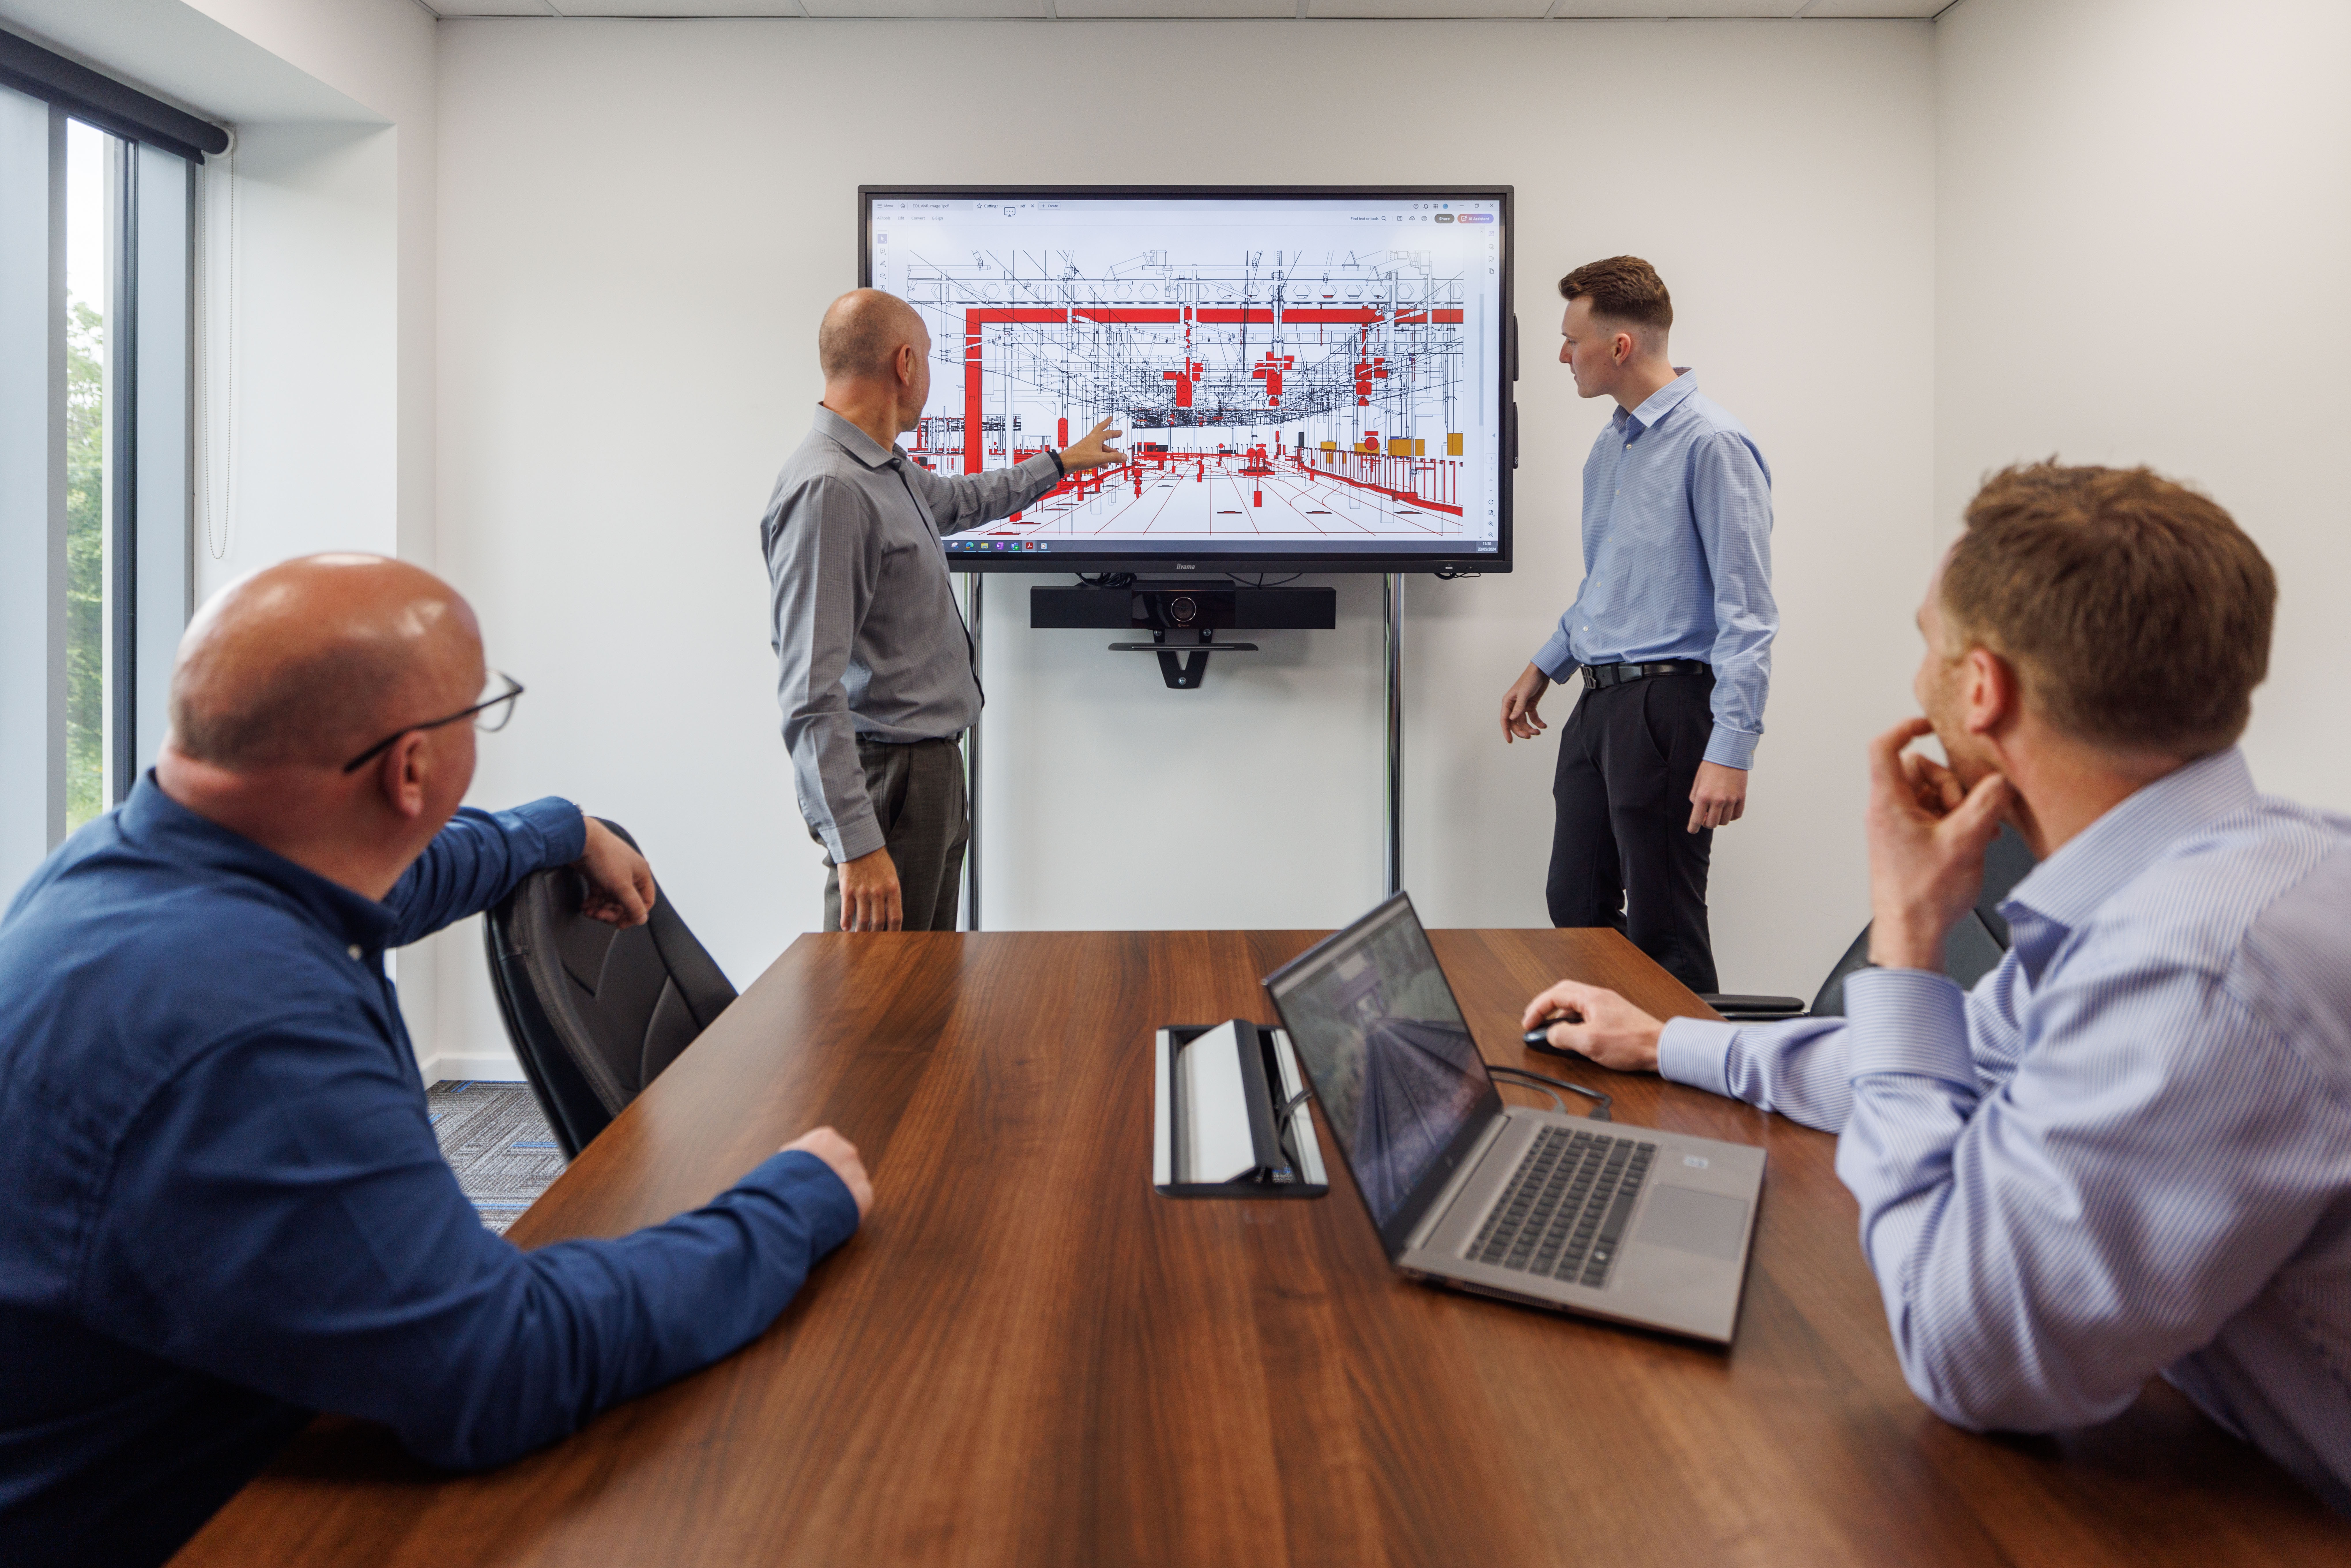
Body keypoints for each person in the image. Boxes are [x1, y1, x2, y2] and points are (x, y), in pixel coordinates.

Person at [0, 555, 877, 1568]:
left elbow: (406, 874)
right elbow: (494, 1365)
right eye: (483, 709)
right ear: (409, 770)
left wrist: (559, 831)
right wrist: (791, 1204)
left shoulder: (139, 862)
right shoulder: (245, 1029)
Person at [1520, 464, 2351, 1513]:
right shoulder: (2221, 875)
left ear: (1979, 690)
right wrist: (1668, 1043)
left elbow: (1969, 1353)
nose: (1914, 681)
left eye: (1927, 643)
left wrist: (1907, 935)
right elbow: (1963, 1050)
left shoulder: (2190, 973)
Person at [764, 289, 1126, 934]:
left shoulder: (883, 469)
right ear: (905, 364)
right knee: (874, 1007)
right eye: (930, 358)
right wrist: (858, 843)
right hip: (888, 783)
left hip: (925, 772)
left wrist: (1063, 462)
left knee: (925, 993)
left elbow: (963, 500)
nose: (931, 374)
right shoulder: (831, 489)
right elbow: (809, 692)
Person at [1499, 256, 1777, 995]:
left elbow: (1748, 613)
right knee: (1576, 903)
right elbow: (1610, 582)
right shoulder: (1611, 446)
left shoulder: (1711, 443)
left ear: (1620, 346)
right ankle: (1623, 1059)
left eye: (1571, 339)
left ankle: (1693, 1092)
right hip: (1600, 704)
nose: (1562, 355)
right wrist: (1546, 662)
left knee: (1666, 929)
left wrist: (1731, 748)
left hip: (1669, 709)